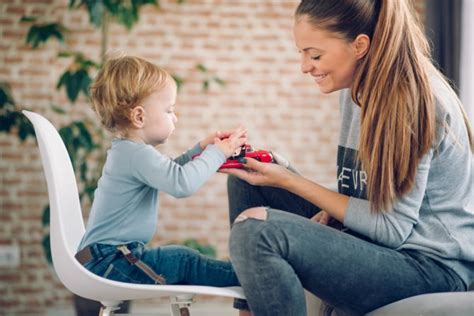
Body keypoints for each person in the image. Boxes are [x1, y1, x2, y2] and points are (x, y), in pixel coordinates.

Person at [222, 1, 474, 315]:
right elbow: (368, 191)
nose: (305, 66)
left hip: (428, 267)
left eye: (315, 55)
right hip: (381, 244)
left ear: (359, 45)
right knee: (247, 182)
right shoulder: (356, 91)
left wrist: (292, 181)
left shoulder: (412, 101)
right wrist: (282, 175)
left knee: (257, 232)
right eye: (302, 54)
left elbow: (392, 228)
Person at [75, 55, 248, 291]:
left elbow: (171, 171)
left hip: (107, 259)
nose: (175, 117)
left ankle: (243, 274)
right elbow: (181, 183)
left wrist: (201, 149)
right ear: (139, 117)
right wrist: (218, 152)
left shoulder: (129, 152)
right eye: (169, 110)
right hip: (111, 261)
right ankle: (251, 273)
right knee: (183, 260)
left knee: (181, 259)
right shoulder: (136, 154)